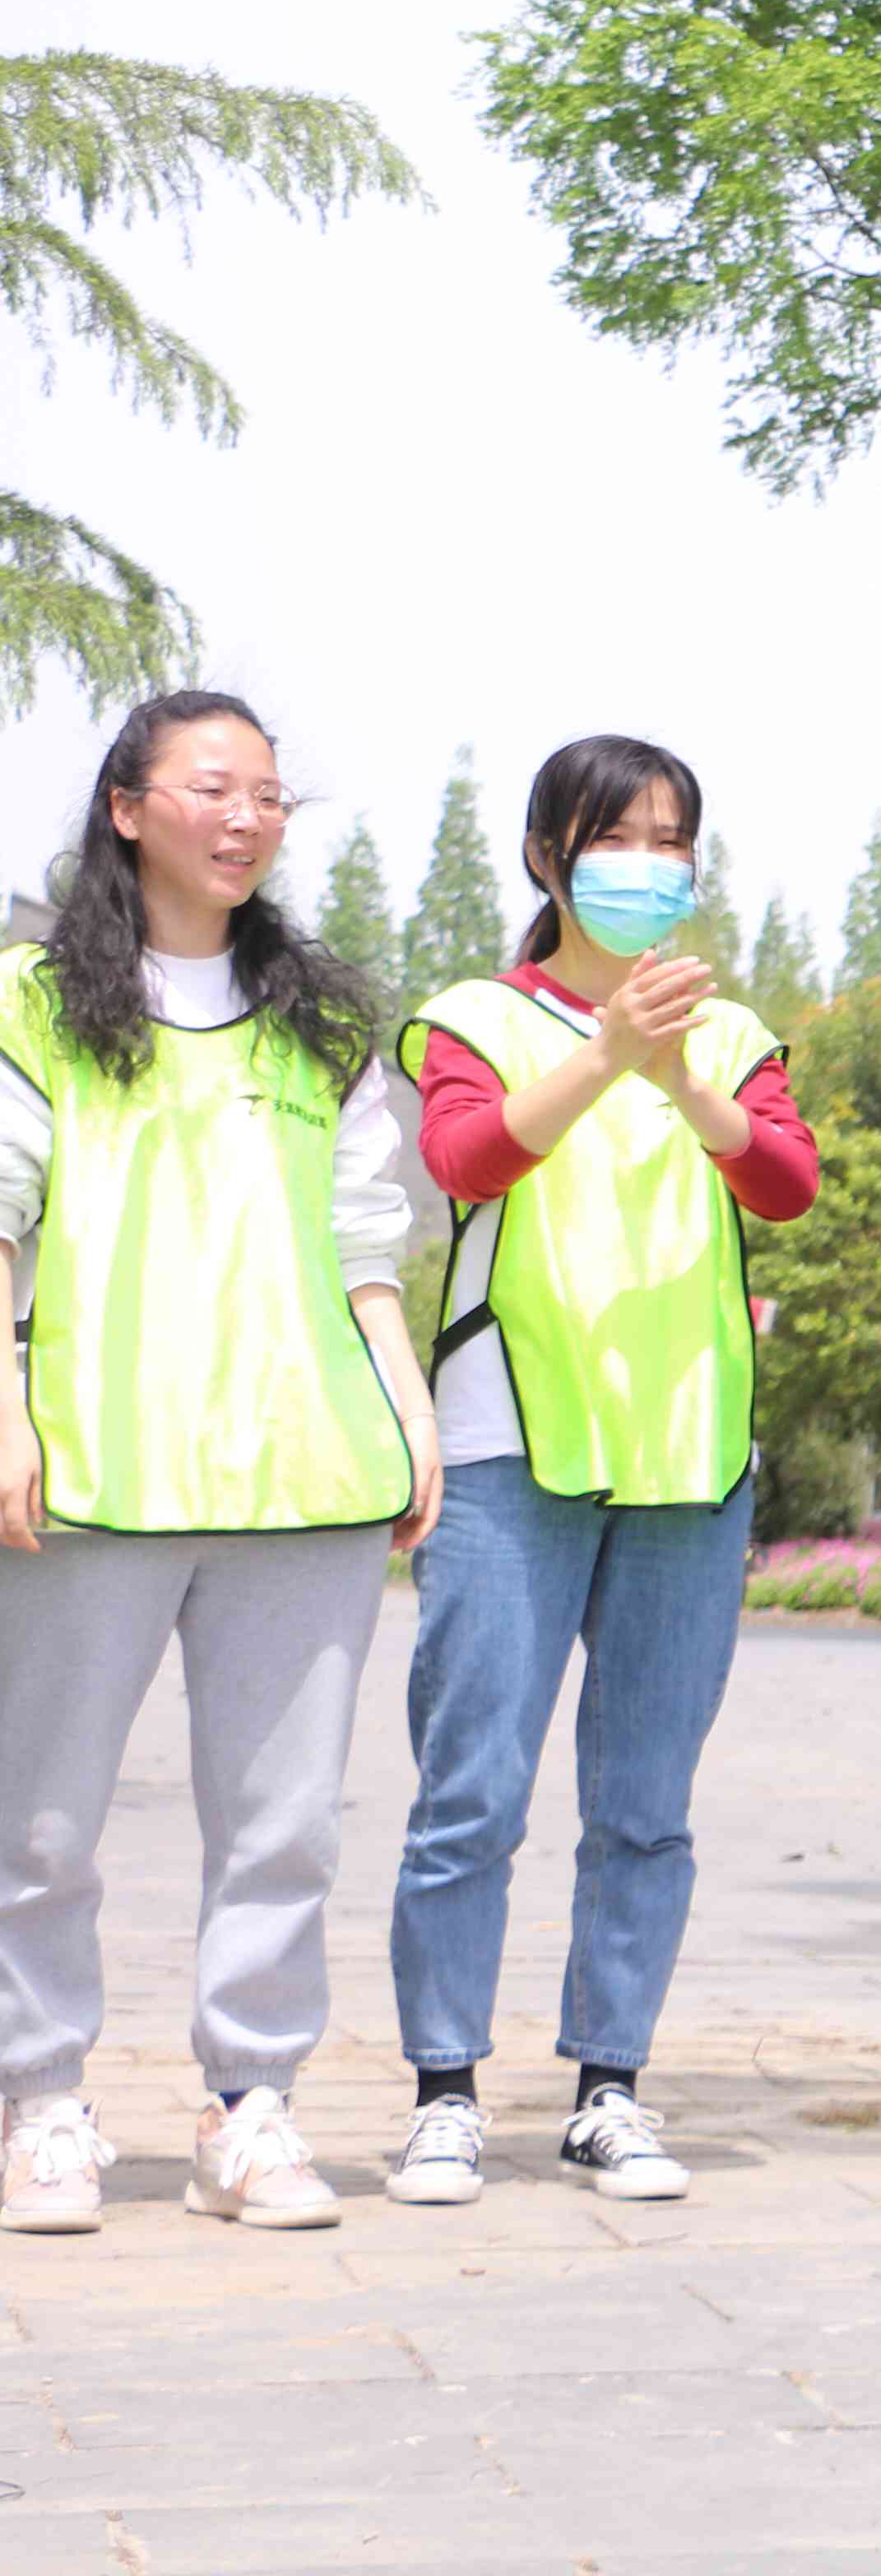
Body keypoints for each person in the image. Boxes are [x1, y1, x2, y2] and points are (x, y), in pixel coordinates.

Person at [0, 692, 443, 2234]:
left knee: (287, 1825)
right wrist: (3, 1406)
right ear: (129, 807)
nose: (248, 817)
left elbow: (367, 1234)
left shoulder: (325, 1023)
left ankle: (247, 2109)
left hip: (302, 1472)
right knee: (44, 1817)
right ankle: (41, 2099)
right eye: (213, 788)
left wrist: (407, 1408)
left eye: (270, 794)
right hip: (97, 1471)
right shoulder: (35, 1005)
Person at [382, 737, 822, 2208]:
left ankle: (608, 2088)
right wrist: (603, 1053)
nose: (650, 863)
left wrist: (685, 1074)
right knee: (473, 1787)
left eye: (673, 839)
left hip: (688, 1452)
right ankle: (445, 2088)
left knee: (646, 1801)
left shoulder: (734, 1025)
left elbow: (783, 1181)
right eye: (618, 835)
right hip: (516, 1441)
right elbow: (467, 1163)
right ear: (548, 857)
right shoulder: (474, 1018)